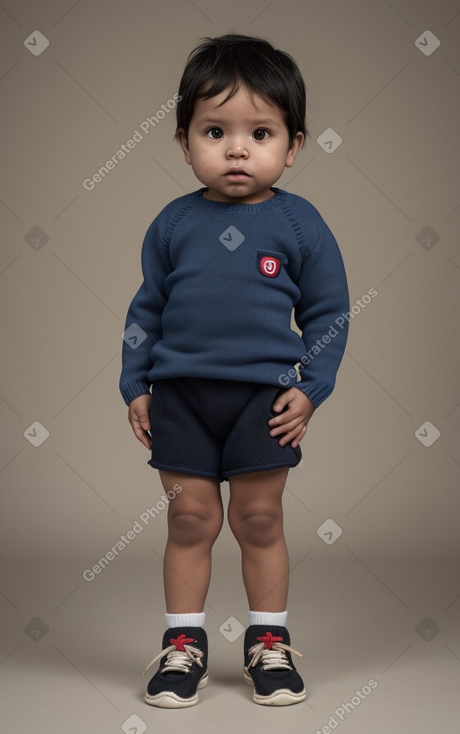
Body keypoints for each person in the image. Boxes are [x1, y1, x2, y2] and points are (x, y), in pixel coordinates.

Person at [119, 33, 349, 708]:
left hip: (264, 402)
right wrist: (135, 384)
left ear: (293, 145)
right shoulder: (172, 224)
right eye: (214, 131)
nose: (237, 149)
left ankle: (268, 643)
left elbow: (330, 315)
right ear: (184, 141)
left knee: (258, 519)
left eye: (260, 132)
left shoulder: (299, 225)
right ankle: (183, 644)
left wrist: (310, 389)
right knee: (189, 520)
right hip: (182, 398)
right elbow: (145, 311)